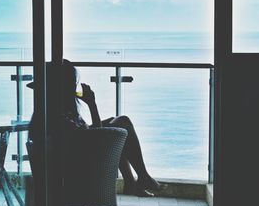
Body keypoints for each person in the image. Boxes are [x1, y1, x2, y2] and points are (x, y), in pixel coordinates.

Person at [28, 59, 162, 197]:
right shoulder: (61, 118)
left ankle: (133, 182)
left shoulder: (48, 114)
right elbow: (97, 138)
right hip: (83, 175)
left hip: (72, 167)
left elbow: (89, 136)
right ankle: (139, 178)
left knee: (117, 127)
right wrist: (92, 104)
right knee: (121, 126)